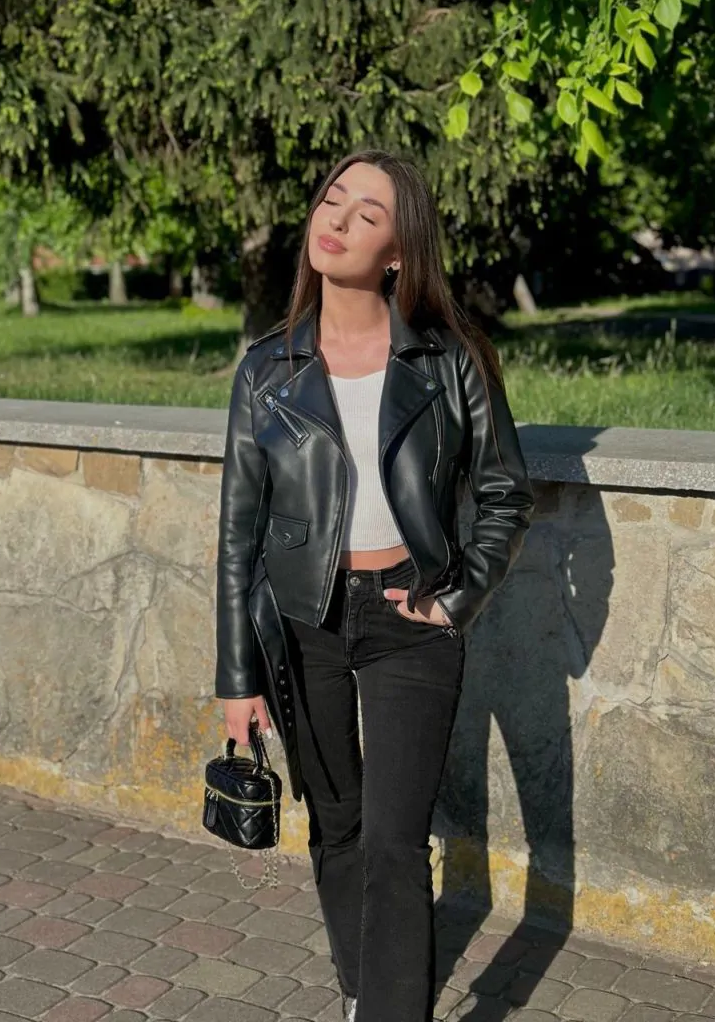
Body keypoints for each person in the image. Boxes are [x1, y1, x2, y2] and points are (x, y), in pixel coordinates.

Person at [214, 150, 534, 1022]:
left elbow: (505, 492)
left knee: (395, 842)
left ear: (398, 252)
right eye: (333, 199)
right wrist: (237, 678)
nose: (338, 220)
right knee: (337, 825)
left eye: (367, 214)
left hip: (409, 617)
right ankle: (367, 992)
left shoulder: (448, 359)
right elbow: (238, 534)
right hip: (302, 620)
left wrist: (456, 597)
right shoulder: (266, 369)